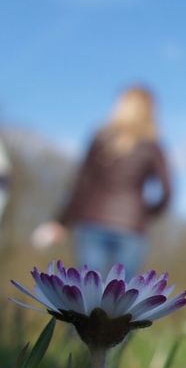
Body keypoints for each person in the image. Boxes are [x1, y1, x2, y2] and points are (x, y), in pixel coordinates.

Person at [32, 85, 173, 276]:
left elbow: (80, 185)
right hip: (131, 228)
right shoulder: (153, 147)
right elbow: (167, 192)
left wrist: (61, 221)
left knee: (88, 294)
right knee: (121, 296)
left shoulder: (100, 139)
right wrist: (145, 213)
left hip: (92, 222)